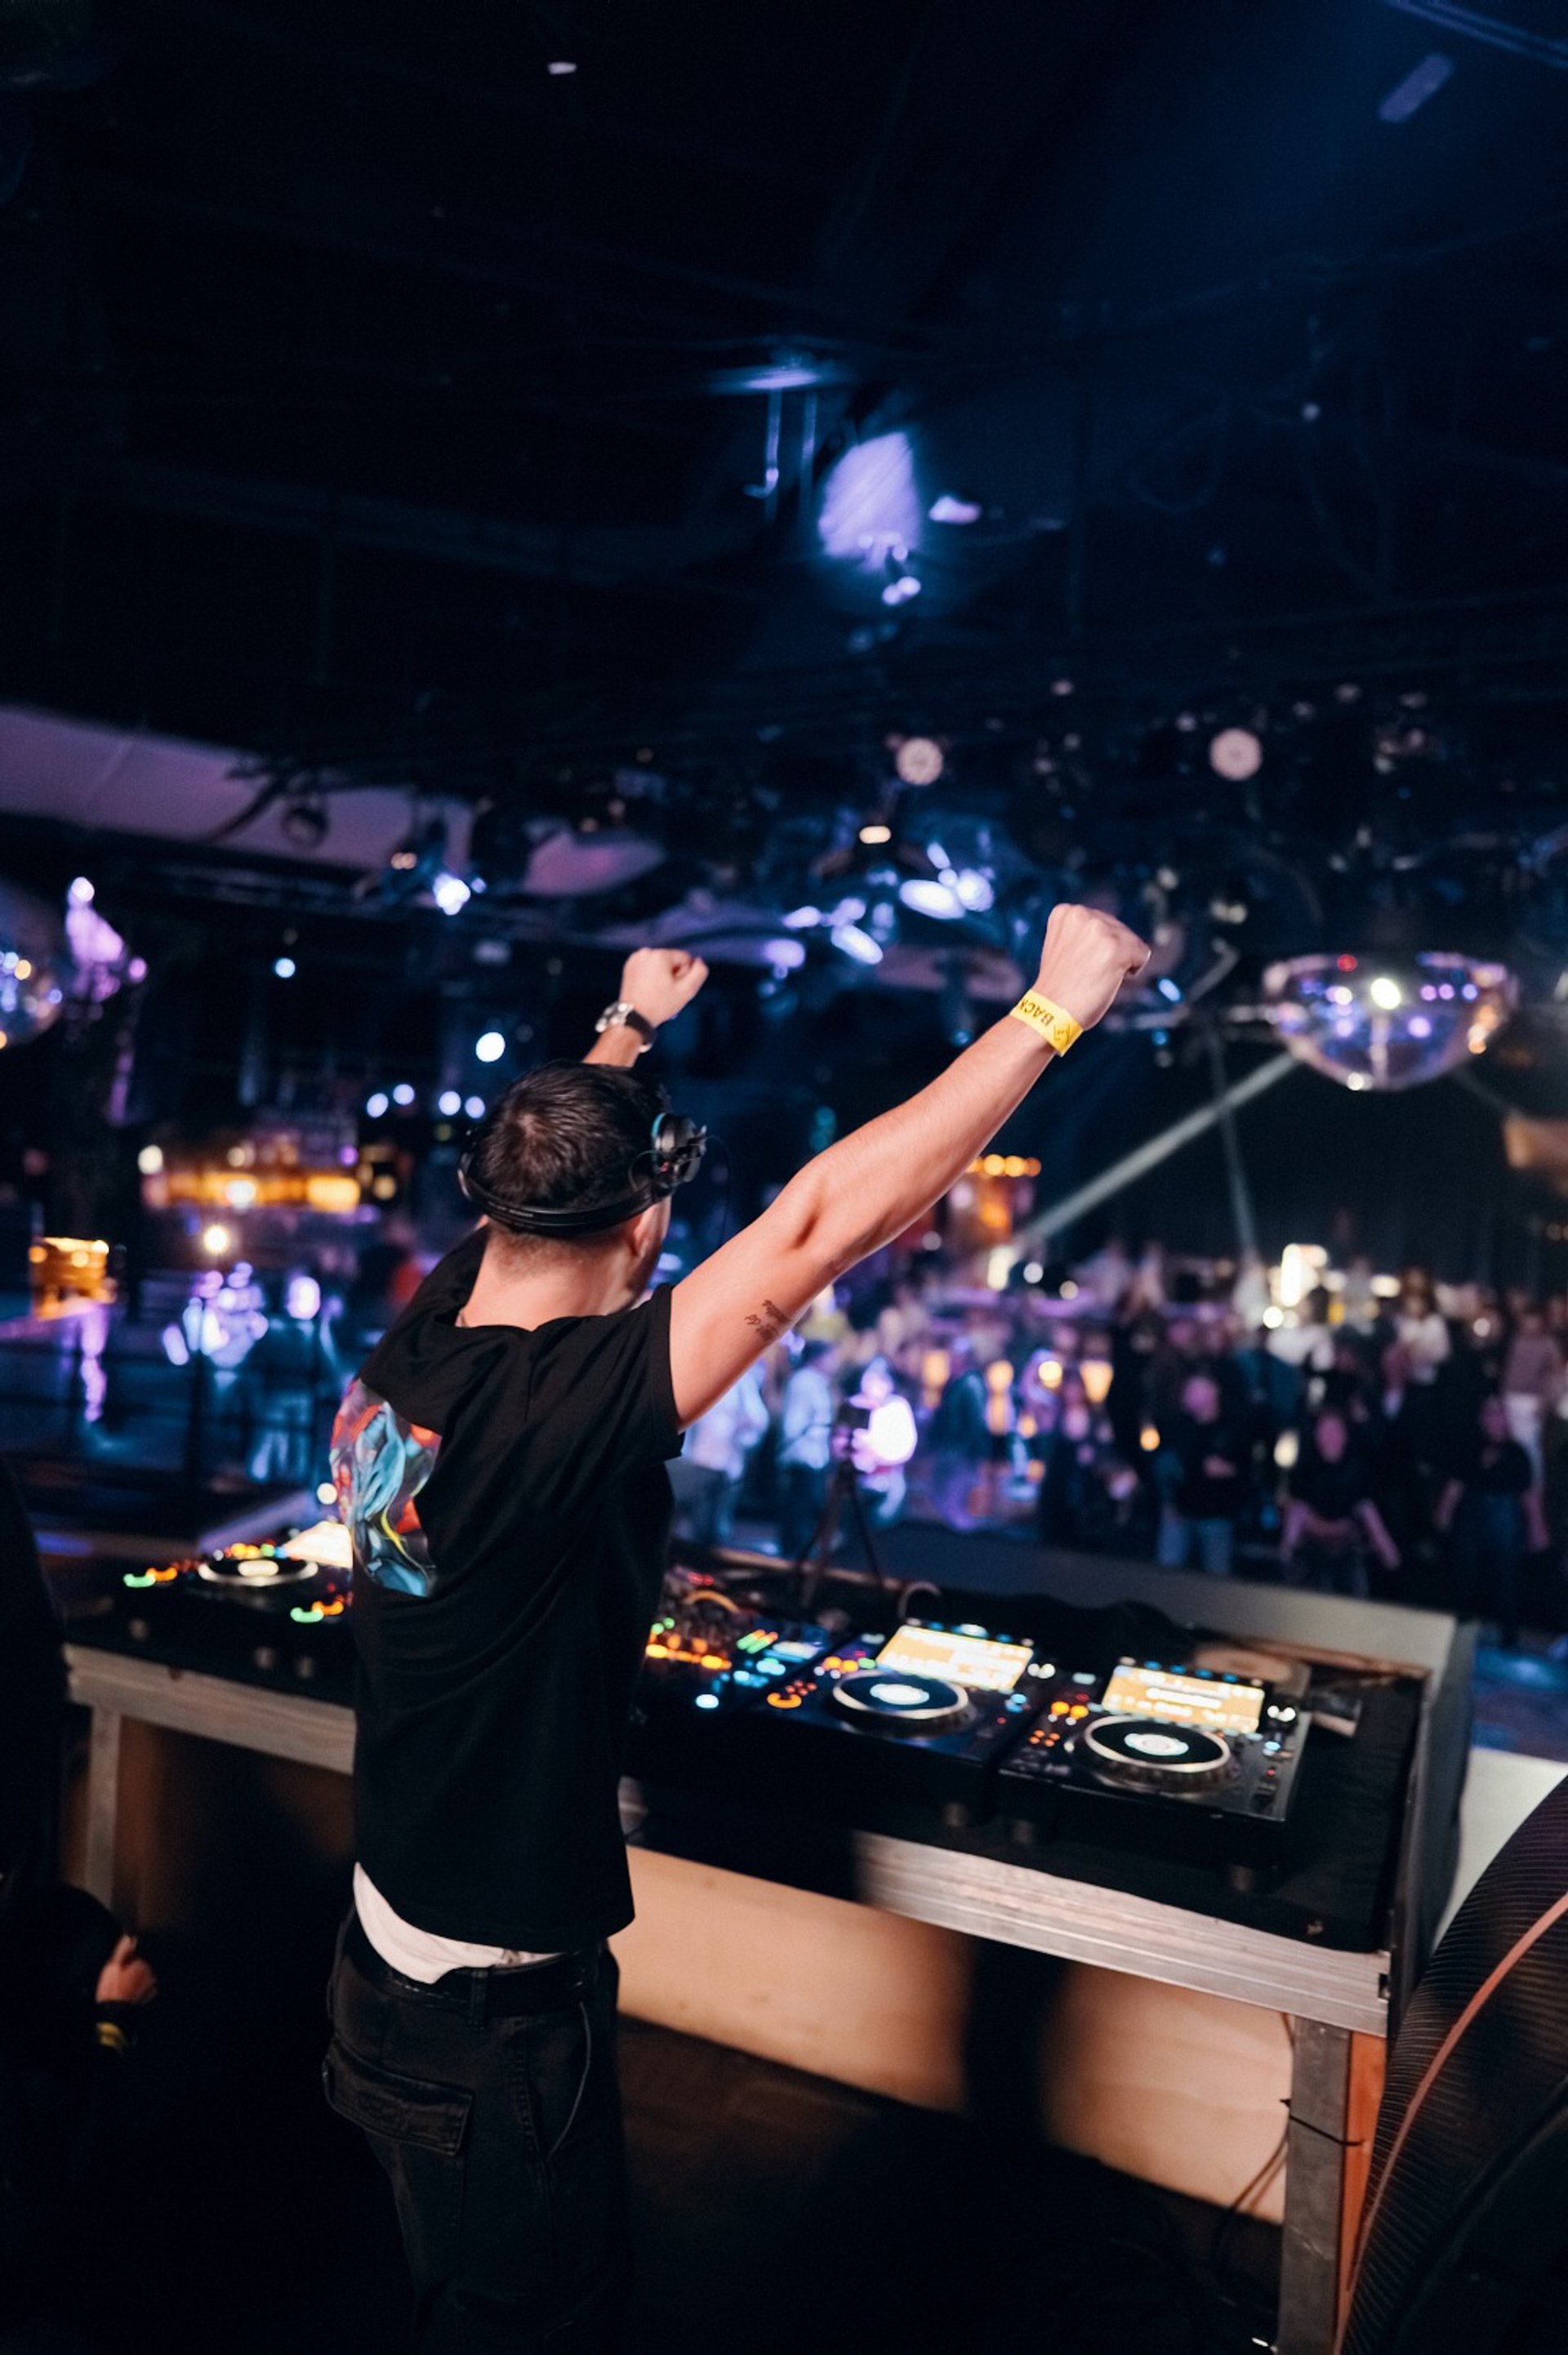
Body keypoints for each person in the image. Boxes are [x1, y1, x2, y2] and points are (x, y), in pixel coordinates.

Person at [323, 911, 1150, 2352]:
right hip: (490, 2011)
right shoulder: (554, 1409)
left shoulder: (429, 1337)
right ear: (646, 1228)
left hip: (389, 1945)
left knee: (449, 2285)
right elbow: (813, 1228)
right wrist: (1051, 1009)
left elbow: (553, 1168)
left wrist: (629, 1028)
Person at [1436, 1394, 1539, 1648]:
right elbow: (1455, 1488)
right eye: (1490, 1414)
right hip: (1472, 1521)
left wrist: (1537, 1529)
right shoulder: (1469, 1449)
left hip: (1505, 1524)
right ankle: (1459, 1639)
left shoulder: (1517, 1453)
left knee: (1506, 1583)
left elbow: (1528, 1497)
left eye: (1500, 1414)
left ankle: (1508, 1642)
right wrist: (1443, 1515)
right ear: (1482, 1419)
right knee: (1465, 1579)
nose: (1496, 1420)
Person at [1282, 1408, 1401, 1599]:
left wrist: (1387, 1553)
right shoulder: (1305, 1469)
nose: (1330, 1437)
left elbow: (1365, 1513)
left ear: (1345, 1435)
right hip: (1312, 1548)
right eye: (1324, 1431)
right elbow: (1297, 1510)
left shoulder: (1358, 1471)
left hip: (1348, 1551)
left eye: (1335, 1430)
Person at [1156, 1372, 1250, 1576]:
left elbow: (1241, 1471)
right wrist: (1169, 1500)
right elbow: (1168, 1466)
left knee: (1217, 1579)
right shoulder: (1178, 1426)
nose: (1187, 1394)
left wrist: (1210, 1468)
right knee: (1166, 1575)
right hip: (1179, 1512)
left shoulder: (1232, 1428)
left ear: (1213, 1392)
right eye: (1187, 1390)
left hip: (1217, 1516)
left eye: (1194, 1389)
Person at [670, 1364, 768, 1547]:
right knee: (685, 1520)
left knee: (711, 1525)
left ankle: (702, 1556)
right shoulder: (701, 1375)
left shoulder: (742, 1382)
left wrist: (742, 1429)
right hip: (693, 1462)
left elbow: (758, 1420)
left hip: (721, 1465)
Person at [775, 1338, 839, 1559]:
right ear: (818, 1358)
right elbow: (794, 1422)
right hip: (803, 1456)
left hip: (814, 1457)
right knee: (800, 1511)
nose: (835, 1363)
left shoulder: (818, 1383)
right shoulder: (804, 1381)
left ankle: (802, 1554)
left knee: (808, 1509)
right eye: (831, 1357)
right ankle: (795, 1556)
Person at [1502, 1305, 1562, 1480]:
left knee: (1529, 1446)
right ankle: (1514, 1481)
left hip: (1531, 1401)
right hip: (1508, 1397)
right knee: (1510, 1444)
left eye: (1533, 1319)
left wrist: (1545, 1401)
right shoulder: (1514, 1340)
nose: (1529, 1324)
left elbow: (1557, 1376)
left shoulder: (1548, 1344)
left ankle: (1534, 1484)